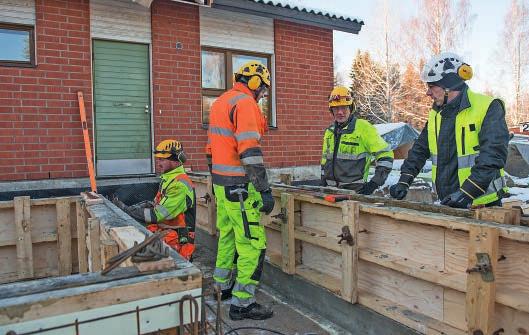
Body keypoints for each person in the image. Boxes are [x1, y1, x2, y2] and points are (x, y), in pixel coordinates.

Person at [389, 52, 509, 208]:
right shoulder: (437, 114)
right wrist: (405, 180)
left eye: (431, 86)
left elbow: (493, 156)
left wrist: (467, 193)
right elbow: (420, 149)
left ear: (448, 86)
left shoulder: (488, 107)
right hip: (449, 202)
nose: (428, 92)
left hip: (483, 205)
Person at [206, 61, 275, 320]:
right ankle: (242, 304)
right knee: (252, 246)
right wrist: (264, 189)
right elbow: (250, 152)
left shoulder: (221, 102)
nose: (263, 96)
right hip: (240, 189)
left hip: (223, 187)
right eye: (263, 90)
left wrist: (215, 181)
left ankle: (221, 288)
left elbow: (210, 150)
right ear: (255, 83)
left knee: (228, 238)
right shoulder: (245, 104)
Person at [114, 139, 196, 260]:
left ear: (175, 161)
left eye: (162, 159)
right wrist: (138, 207)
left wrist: (126, 211)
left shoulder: (179, 184)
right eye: (158, 159)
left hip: (178, 242)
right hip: (167, 235)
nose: (158, 163)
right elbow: (156, 204)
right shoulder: (168, 179)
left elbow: (157, 215)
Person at [321, 86, 394, 194]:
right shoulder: (329, 132)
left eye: (344, 107)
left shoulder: (363, 128)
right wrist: (323, 182)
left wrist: (375, 183)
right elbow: (324, 161)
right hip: (330, 192)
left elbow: (385, 154)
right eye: (336, 108)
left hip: (355, 193)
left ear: (351, 108)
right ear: (331, 110)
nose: (340, 112)